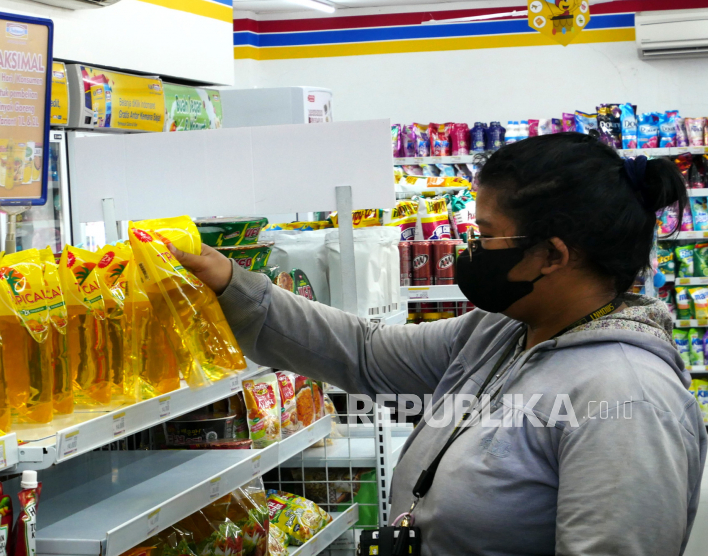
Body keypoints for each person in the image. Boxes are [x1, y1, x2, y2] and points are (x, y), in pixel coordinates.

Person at [171, 133, 707, 555]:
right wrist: (231, 284)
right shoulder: (499, 332)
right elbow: (365, 353)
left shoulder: (629, 399)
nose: (468, 248)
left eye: (486, 233)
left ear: (552, 255)